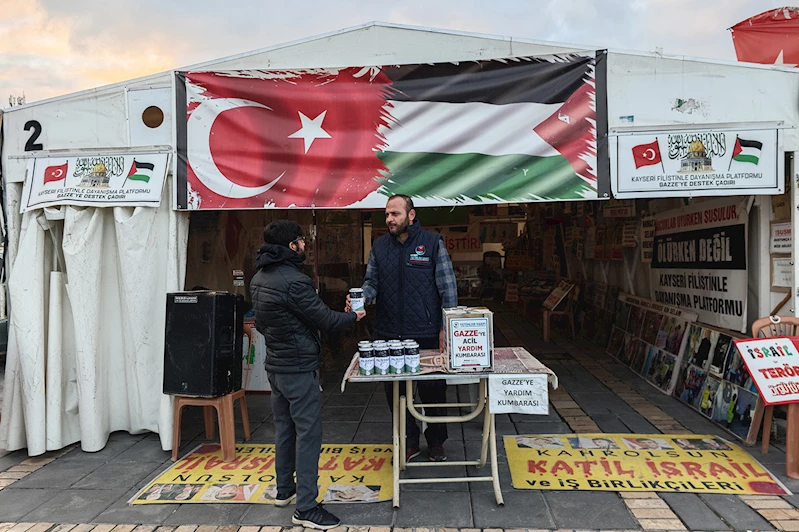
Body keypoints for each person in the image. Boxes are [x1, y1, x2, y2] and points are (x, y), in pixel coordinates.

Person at [251, 219, 365, 530]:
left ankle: (285, 490)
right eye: (302, 241)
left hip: (275, 366)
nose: (305, 245)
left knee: (285, 430)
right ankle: (306, 507)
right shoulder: (294, 281)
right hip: (298, 369)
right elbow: (324, 319)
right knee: (309, 434)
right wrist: (353, 316)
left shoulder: (259, 277)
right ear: (292, 246)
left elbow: (262, 324)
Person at [349, 194, 458, 462]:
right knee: (396, 392)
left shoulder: (432, 243)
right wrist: (361, 298)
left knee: (433, 391)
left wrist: (448, 327)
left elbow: (448, 287)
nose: (389, 219)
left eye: (395, 214)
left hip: (426, 331)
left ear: (411, 215)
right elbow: (371, 282)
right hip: (388, 334)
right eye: (387, 214)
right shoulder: (379, 246)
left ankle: (436, 441)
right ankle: (409, 441)